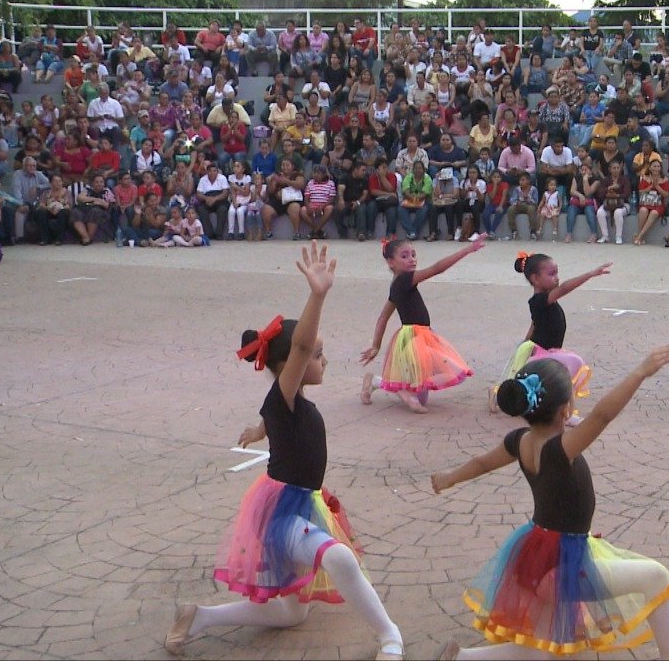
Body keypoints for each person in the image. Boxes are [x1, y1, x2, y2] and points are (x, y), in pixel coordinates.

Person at [165, 243, 405, 660]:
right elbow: (297, 350)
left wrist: (257, 430)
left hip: (300, 502)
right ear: (290, 364)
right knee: (340, 559)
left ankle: (198, 616)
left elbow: (267, 418)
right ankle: (390, 636)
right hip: (283, 511)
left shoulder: (281, 403)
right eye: (318, 354)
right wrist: (318, 295)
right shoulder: (286, 394)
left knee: (292, 614)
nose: (324, 360)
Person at [433, 344, 669, 661]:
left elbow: (481, 463)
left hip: (536, 557)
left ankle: (461, 658)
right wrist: (640, 372)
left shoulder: (520, 442)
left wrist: (449, 477)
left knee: (545, 651)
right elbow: (602, 415)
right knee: (656, 578)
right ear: (566, 409)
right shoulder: (560, 450)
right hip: (563, 565)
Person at [359, 237, 482, 414]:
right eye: (405, 256)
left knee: (422, 395)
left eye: (414, 254)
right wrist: (467, 250)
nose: (412, 259)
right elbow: (436, 269)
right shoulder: (404, 281)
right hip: (413, 339)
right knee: (445, 368)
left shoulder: (398, 284)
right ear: (391, 262)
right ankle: (402, 391)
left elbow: (382, 318)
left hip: (422, 336)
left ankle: (376, 382)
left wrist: (376, 346)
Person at [488, 253, 610, 412]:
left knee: (533, 386)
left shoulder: (545, 300)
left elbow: (535, 324)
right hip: (543, 353)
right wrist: (590, 274)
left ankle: (498, 393)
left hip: (551, 351)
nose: (557, 278)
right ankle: (568, 413)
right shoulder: (539, 300)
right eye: (551, 274)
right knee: (566, 372)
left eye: (557, 273)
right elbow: (564, 288)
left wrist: (524, 344)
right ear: (535, 279)